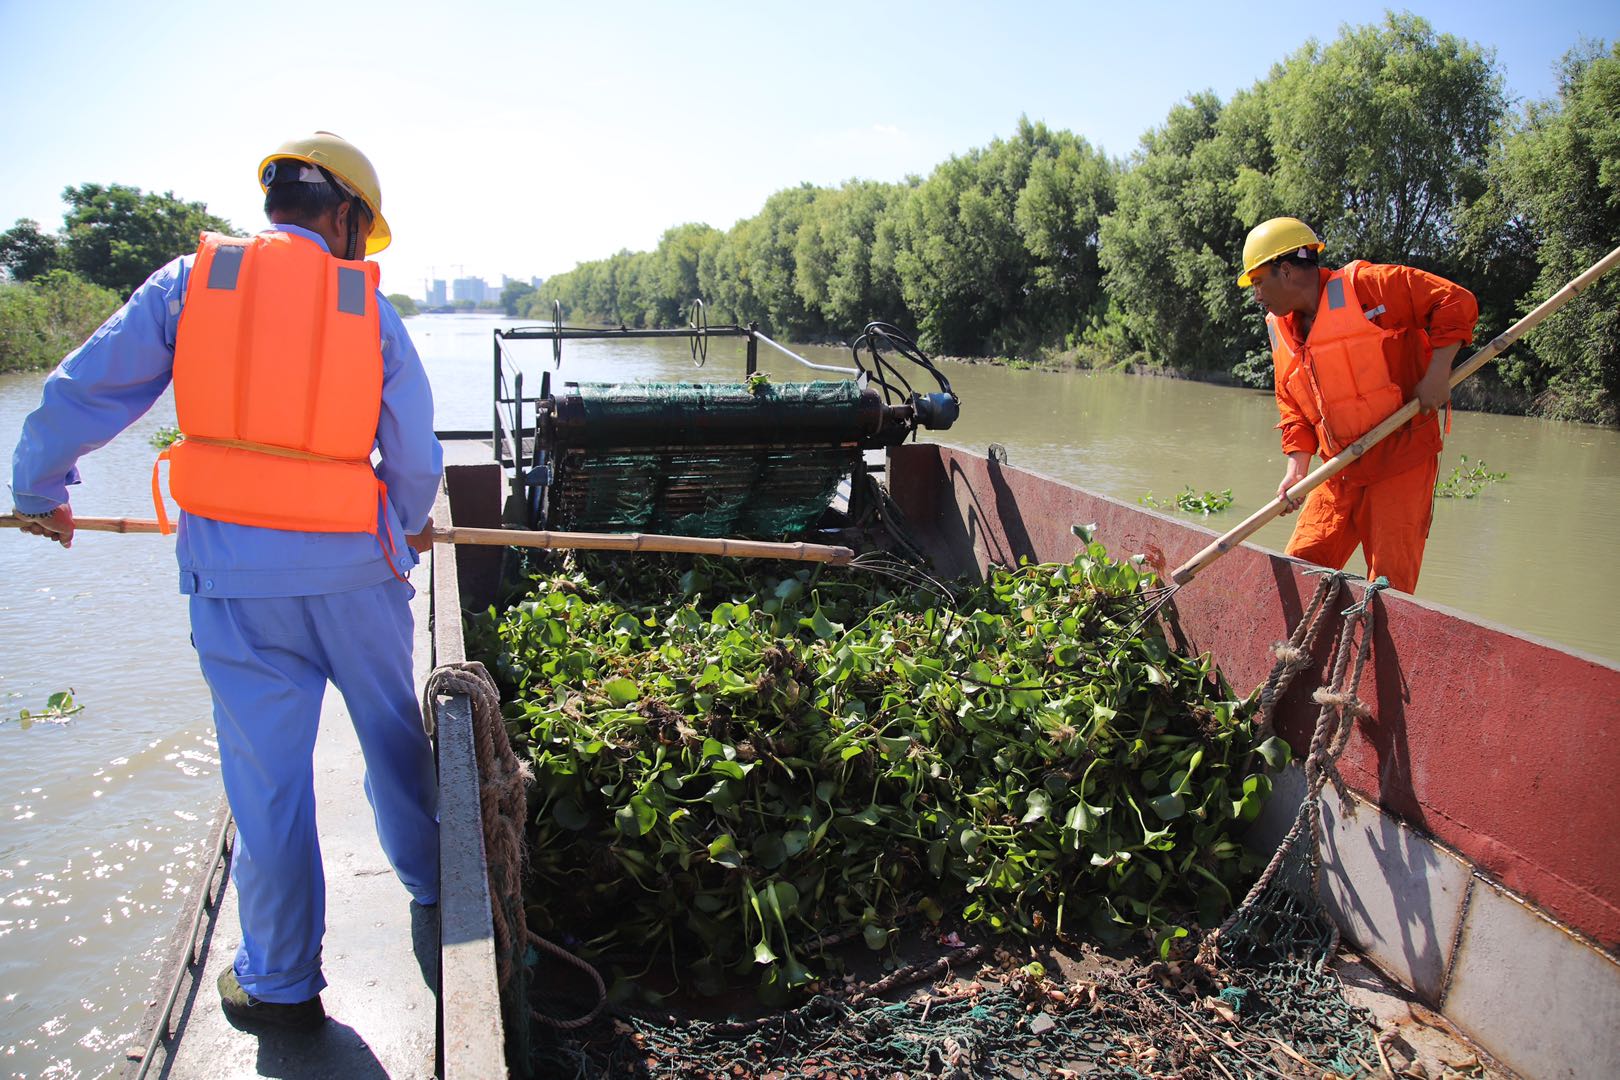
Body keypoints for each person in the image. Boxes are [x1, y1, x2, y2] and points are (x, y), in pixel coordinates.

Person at [9, 132, 442, 1031]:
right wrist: (404, 527)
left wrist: (39, 490)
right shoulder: (373, 312)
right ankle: (438, 887)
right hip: (357, 575)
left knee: (267, 783)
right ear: (348, 216)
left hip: (236, 585)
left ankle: (281, 983)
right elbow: (412, 454)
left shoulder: (189, 283)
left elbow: (86, 388)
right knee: (394, 739)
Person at [1239, 217, 1478, 594]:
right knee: (1300, 566)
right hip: (1339, 468)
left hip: (1401, 458)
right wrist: (1296, 469)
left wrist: (1437, 374)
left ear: (1284, 270)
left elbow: (1454, 301)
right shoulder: (1279, 328)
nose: (1256, 296)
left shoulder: (1368, 287)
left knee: (1386, 587)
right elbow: (1293, 406)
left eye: (1257, 282)